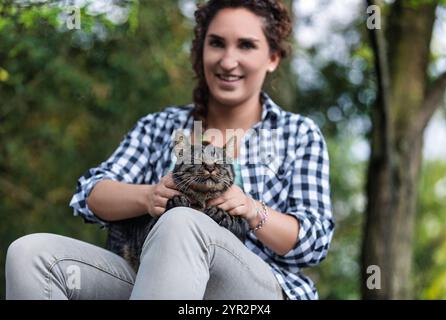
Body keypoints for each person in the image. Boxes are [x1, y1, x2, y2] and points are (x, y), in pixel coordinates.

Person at [5, 0, 334, 300]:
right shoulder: (160, 126)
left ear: (272, 58)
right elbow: (90, 195)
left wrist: (251, 209)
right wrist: (148, 196)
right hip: (154, 281)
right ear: (201, 50)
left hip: (251, 296)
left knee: (181, 222)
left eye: (246, 45)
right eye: (216, 43)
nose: (228, 60)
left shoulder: (296, 134)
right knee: (31, 254)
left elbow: (314, 243)